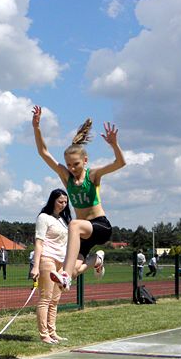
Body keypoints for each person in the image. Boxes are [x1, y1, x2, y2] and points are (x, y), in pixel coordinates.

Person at [32, 105, 126, 290]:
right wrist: (36, 127)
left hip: (100, 226)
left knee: (73, 225)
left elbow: (120, 163)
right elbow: (44, 152)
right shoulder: (67, 177)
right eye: (68, 165)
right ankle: (96, 260)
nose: (72, 168)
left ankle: (65, 276)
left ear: (85, 161)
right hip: (83, 233)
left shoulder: (93, 175)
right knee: (75, 269)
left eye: (75, 164)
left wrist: (114, 144)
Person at [30, 189, 71, 344]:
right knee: (45, 298)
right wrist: (35, 266)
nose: (63, 204)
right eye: (60, 201)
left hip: (61, 261)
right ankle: (44, 334)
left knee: (55, 300)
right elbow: (39, 243)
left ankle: (53, 332)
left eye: (65, 202)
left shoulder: (63, 220)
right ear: (53, 201)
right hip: (47, 259)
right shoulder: (44, 218)